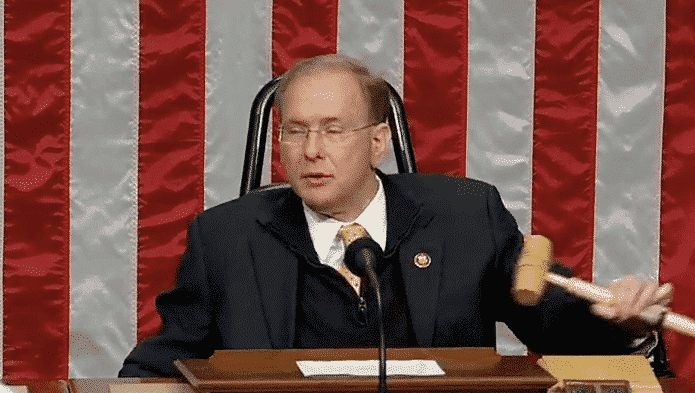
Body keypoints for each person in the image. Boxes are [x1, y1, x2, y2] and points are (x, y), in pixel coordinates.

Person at [119, 54, 669, 377]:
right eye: (295, 131)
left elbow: (555, 325)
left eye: (334, 130)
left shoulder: (466, 217)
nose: (311, 150)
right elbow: (160, 367)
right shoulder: (225, 238)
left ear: (378, 140)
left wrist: (622, 324)